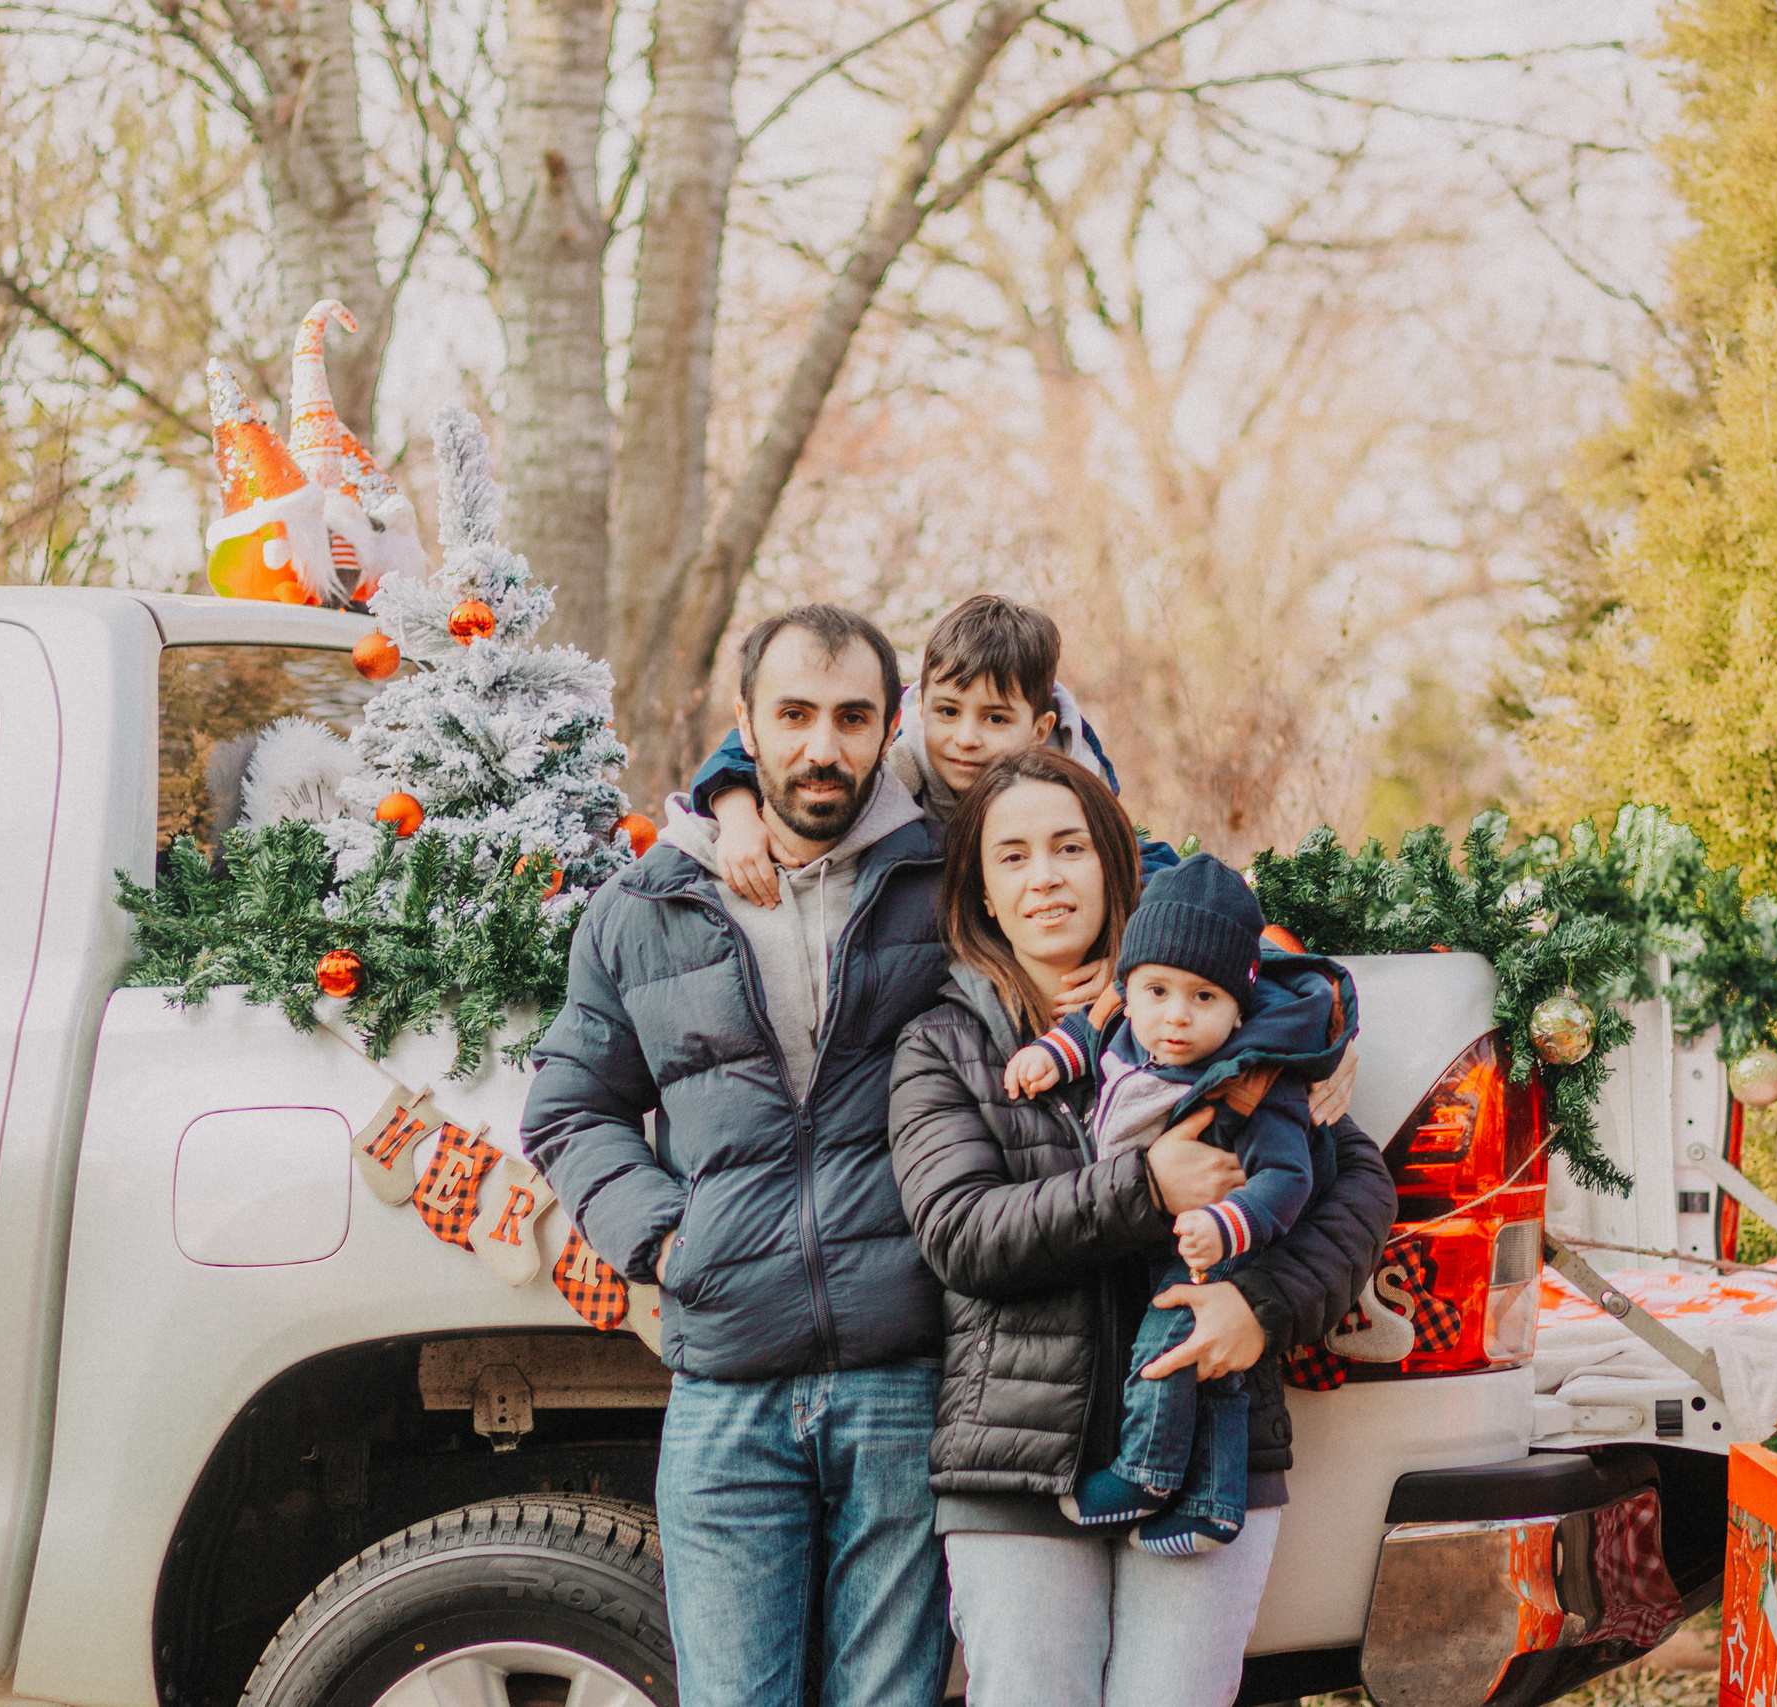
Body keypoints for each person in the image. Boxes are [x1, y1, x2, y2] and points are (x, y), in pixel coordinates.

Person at [888, 748, 1395, 1707]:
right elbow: (961, 1232)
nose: (1045, 876)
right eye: (1014, 857)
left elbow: (1358, 1186)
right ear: (984, 893)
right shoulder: (944, 1043)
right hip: (1020, 1460)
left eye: (1071, 847)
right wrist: (1146, 1187)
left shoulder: (1222, 1020)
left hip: (1211, 1446)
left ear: (1115, 864)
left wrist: (1263, 1304)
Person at [522, 605, 959, 1707]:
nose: (825, 747)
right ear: (744, 729)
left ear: (889, 725)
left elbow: (1118, 888)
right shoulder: (645, 905)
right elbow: (570, 1107)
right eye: (796, 716)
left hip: (903, 1374)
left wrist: (1308, 995)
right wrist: (668, 1242)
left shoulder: (952, 882)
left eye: (854, 718)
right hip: (724, 1380)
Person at [1007, 854, 1348, 1555]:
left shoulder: (1256, 1080)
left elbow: (1288, 1176)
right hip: (1143, 1229)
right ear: (1128, 987)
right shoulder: (1127, 1026)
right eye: (1158, 990)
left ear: (1238, 1007)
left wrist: (1229, 1223)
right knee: (1212, 1374)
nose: (1175, 1017)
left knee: (1174, 1345)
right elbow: (1095, 1034)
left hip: (1219, 1239)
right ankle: (1215, 1503)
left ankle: (1148, 1472)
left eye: (1203, 999)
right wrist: (1053, 1051)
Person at [689, 593, 1172, 911]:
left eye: (996, 719)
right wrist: (735, 814)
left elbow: (1140, 864)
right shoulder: (894, 737)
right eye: (947, 712)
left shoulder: (1072, 789)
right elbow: (765, 735)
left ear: (1039, 728)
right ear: (917, 704)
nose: (965, 738)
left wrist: (1126, 958)